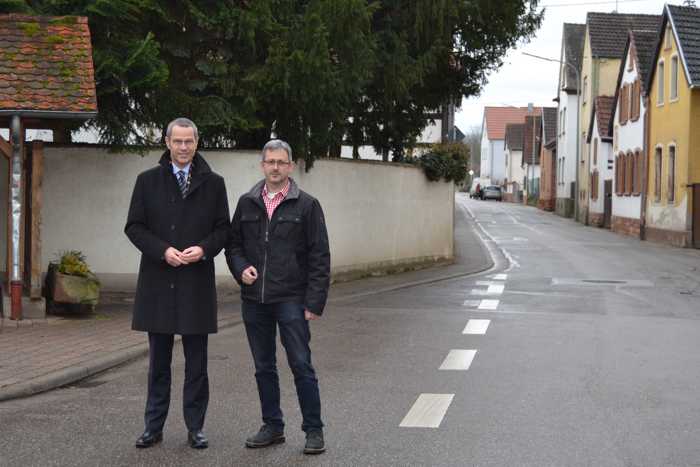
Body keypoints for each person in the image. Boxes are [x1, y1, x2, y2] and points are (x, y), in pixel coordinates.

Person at [125, 117, 230, 450]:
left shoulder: (214, 183)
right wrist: (162, 251)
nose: (183, 148)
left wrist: (204, 249)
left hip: (196, 283)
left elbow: (224, 229)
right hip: (158, 282)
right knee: (158, 363)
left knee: (197, 365)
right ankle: (152, 427)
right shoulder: (147, 181)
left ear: (197, 143)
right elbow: (135, 227)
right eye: (177, 141)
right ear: (167, 142)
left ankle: (195, 427)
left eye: (189, 142)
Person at [227, 139, 330, 455]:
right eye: (270, 161)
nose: (275, 167)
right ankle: (273, 426)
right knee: (263, 366)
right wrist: (241, 268)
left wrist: (314, 302)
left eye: (281, 162)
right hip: (254, 300)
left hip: (291, 299)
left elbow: (320, 256)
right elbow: (233, 246)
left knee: (301, 364)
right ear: (262, 165)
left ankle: (314, 430)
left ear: (290, 165)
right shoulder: (247, 202)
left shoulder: (307, 205)